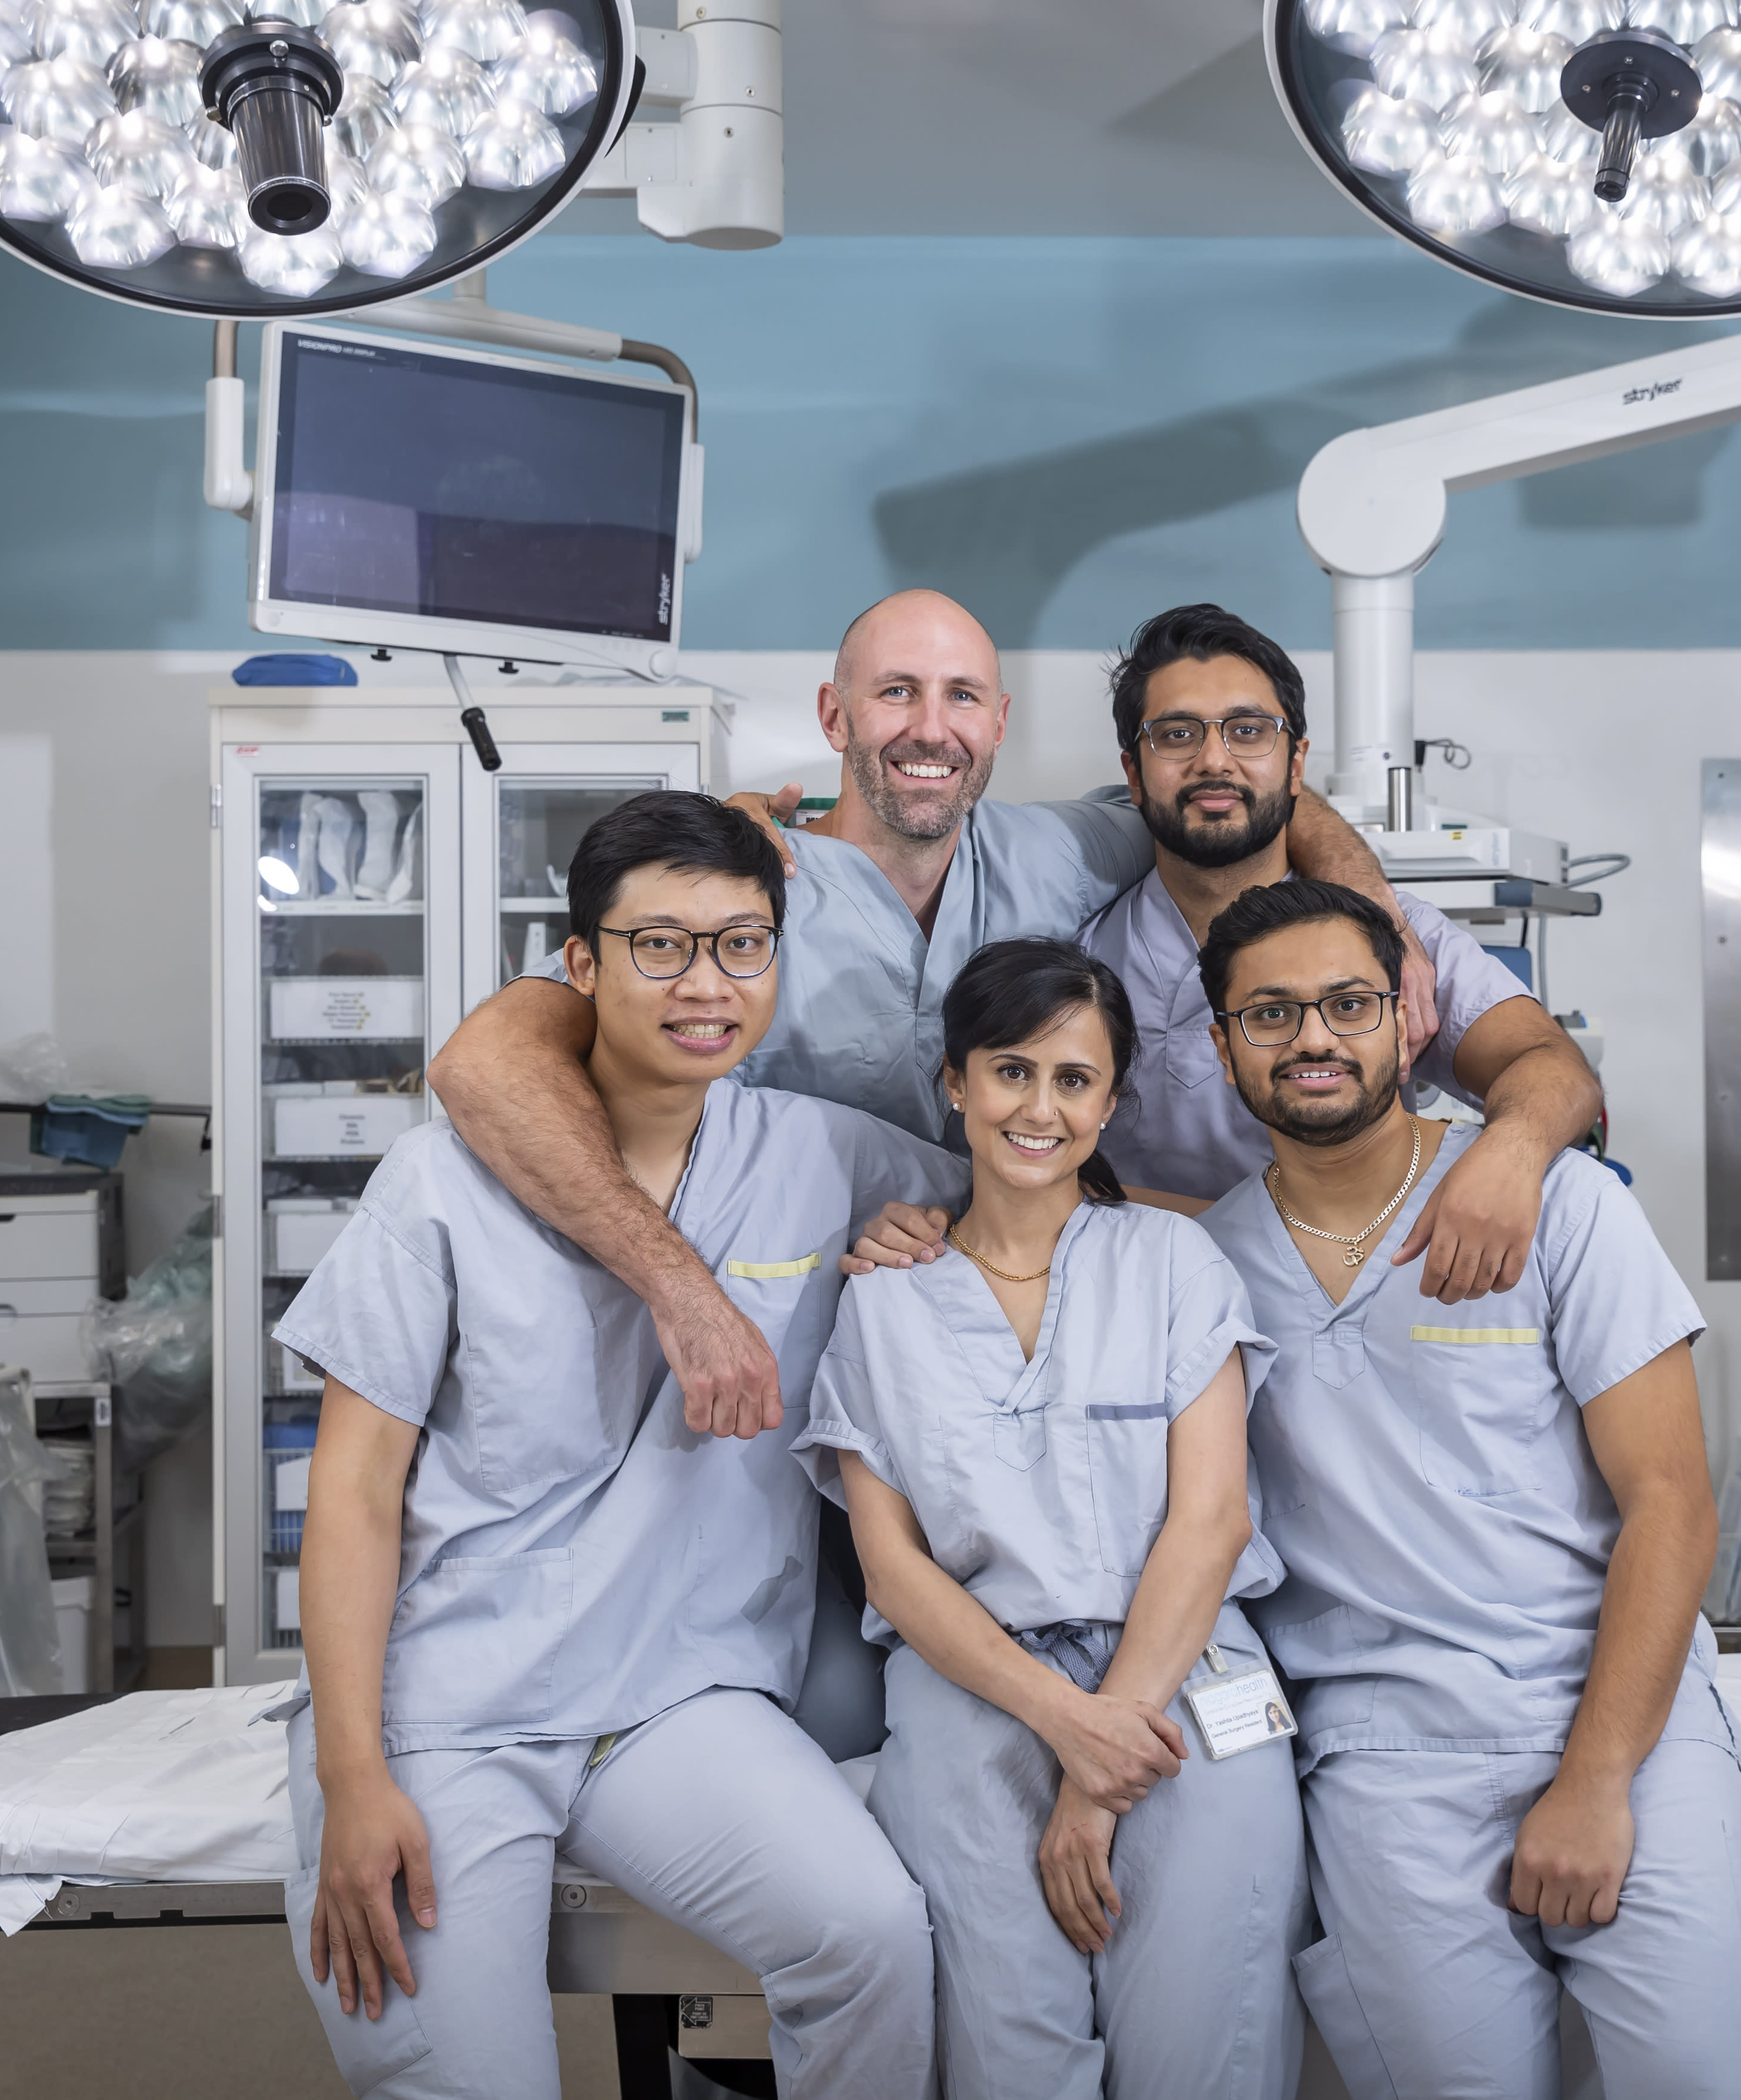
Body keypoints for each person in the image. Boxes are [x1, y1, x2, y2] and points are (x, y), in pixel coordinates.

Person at [273, 792, 971, 2100]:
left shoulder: (825, 1157)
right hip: (454, 1707)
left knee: (871, 1935)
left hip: (679, 1693)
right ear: (579, 965)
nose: (705, 983)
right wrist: (352, 1773)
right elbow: (355, 1491)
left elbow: (1031, 1192)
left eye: (741, 943)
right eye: (659, 945)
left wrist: (928, 1240)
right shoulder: (436, 1185)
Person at [426, 587, 1434, 1442]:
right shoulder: (744, 888)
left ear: (997, 723)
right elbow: (488, 1060)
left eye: (959, 697)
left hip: (987, 1338)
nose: (928, 727)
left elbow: (1224, 787)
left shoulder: (1058, 851)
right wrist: (680, 1294)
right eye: (895, 692)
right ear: (833, 716)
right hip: (767, 1338)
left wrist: (1372, 906)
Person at [1189, 881, 1741, 2100]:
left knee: (1693, 2077)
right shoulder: (1205, 1273)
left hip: (1618, 1715)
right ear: (1219, 1044)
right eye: (1270, 1014)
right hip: (1383, 1752)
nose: (1312, 1039)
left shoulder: (1561, 1209)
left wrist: (1596, 1776)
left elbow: (1673, 1500)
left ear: (1408, 1020)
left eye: (1347, 1003)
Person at [795, 938, 1307, 2100]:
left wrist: (1096, 1759)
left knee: (1202, 2051)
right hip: (973, 1689)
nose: (1039, 1107)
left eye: (1073, 1080)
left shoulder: (1173, 1262)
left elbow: (1211, 1520)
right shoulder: (882, 1298)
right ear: (955, 1082)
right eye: (1011, 1071)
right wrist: (1060, 1724)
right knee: (1007, 2055)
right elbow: (893, 1569)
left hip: (1183, 1676)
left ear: (1111, 1100)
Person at [1079, 604, 1601, 1304]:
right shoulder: (1080, 954)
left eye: (1248, 730)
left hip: (1356, 1291)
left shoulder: (1392, 939)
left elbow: (1552, 1067)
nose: (1213, 759)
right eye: (1176, 734)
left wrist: (1511, 1151)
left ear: (1296, 763)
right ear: (1134, 774)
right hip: (1149, 1305)